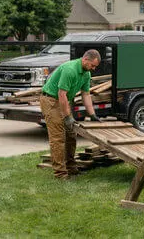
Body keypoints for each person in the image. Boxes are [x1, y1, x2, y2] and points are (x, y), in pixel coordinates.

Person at [39, 49, 102, 179]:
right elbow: (61, 94)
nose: (94, 69)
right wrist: (67, 117)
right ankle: (60, 173)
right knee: (58, 138)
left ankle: (71, 167)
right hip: (51, 100)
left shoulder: (86, 74)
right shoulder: (70, 70)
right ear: (85, 60)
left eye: (95, 66)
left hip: (63, 101)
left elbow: (86, 94)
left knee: (71, 135)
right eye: (93, 65)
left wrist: (92, 114)